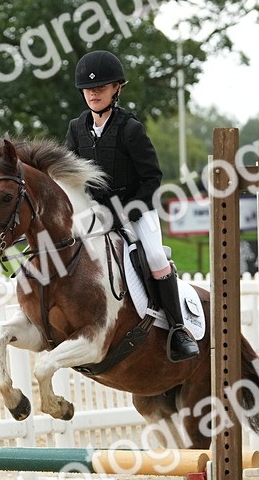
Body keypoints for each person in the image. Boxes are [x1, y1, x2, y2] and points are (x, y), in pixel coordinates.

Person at [64, 50, 198, 362]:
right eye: (89, 89)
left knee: (153, 254)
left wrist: (125, 211)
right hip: (93, 211)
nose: (94, 93)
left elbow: (152, 177)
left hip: (135, 208)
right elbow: (69, 177)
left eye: (101, 88)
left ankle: (178, 329)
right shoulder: (76, 128)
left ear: (116, 89)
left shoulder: (130, 128)